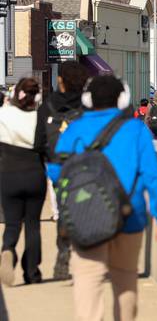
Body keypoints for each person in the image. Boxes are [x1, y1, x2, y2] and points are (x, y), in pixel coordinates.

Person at [47, 75, 157, 321]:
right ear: (122, 99)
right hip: (130, 215)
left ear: (88, 99)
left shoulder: (74, 129)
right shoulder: (136, 130)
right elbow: (152, 176)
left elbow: (55, 169)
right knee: (125, 278)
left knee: (87, 279)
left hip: (85, 214)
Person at [34, 60, 89, 281]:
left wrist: (45, 162)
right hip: (85, 167)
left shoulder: (47, 105)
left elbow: (38, 141)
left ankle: (63, 251)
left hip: (58, 167)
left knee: (65, 209)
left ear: (60, 80)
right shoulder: (88, 107)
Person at [0, 78, 47, 286]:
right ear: (36, 97)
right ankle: (32, 272)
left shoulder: (3, 115)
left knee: (12, 223)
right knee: (33, 224)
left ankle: (8, 249)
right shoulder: (39, 118)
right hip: (34, 173)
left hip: (8, 173)